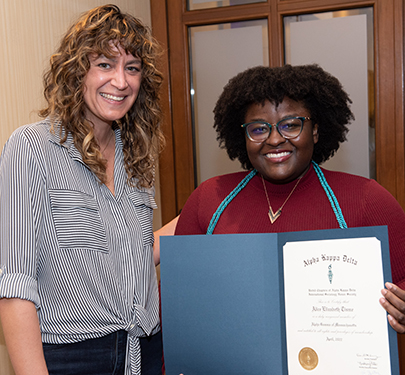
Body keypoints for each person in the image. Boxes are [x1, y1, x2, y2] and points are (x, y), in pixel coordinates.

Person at [0, 5, 175, 375]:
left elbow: (131, 252)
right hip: (73, 357)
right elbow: (15, 284)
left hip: (146, 348)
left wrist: (203, 212)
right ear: (76, 70)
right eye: (105, 64)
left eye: (132, 68)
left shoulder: (138, 152)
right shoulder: (31, 147)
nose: (121, 81)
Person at [174, 64, 405, 333]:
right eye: (259, 129)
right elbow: (177, 299)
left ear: (315, 131)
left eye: (290, 125)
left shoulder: (367, 199)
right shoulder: (209, 199)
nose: (274, 139)